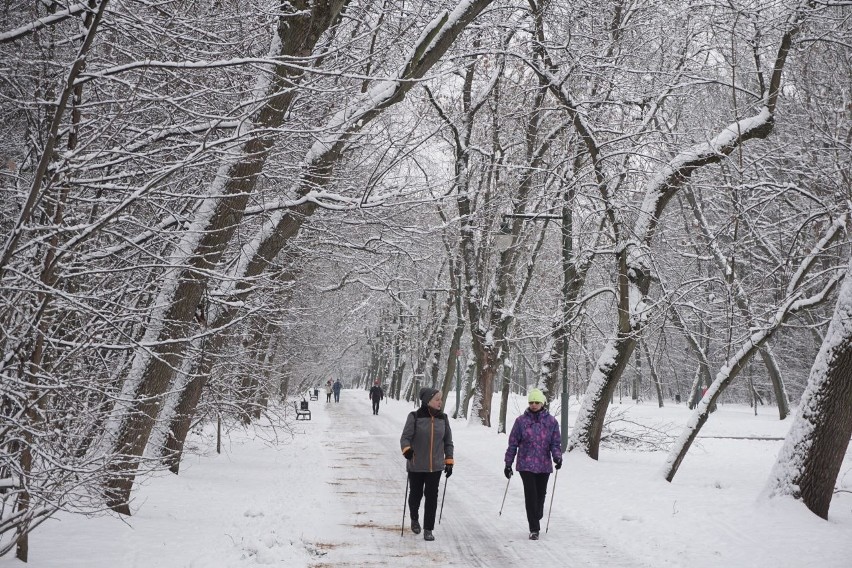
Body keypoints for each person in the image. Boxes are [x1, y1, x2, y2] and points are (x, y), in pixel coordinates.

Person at [503, 388, 562, 541]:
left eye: (537, 402)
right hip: (526, 464)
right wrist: (508, 463)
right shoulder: (521, 421)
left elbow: (555, 443)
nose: (534, 405)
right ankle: (534, 528)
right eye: (531, 402)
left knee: (540, 494)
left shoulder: (551, 422)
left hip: (544, 464)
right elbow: (513, 443)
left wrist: (557, 457)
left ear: (542, 403)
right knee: (531, 495)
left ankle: (538, 513)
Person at [400, 387, 453, 542]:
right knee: (415, 495)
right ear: (427, 401)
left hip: (435, 466)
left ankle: (428, 529)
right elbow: (405, 438)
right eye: (437, 399)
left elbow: (448, 442)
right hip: (416, 465)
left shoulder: (443, 419)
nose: (440, 402)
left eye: (441, 399)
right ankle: (414, 518)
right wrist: (407, 450)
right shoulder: (415, 417)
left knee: (431, 497)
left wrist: (449, 460)